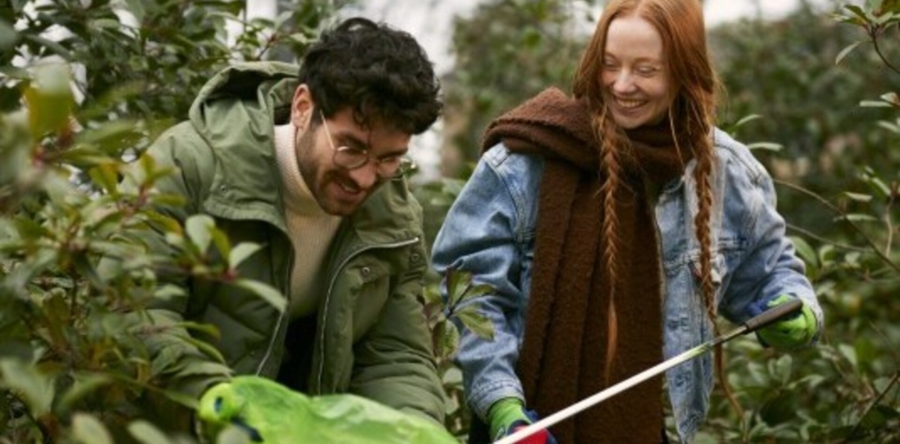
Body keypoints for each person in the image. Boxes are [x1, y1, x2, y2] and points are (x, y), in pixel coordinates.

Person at [431, 0, 823, 443]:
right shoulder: (526, 160)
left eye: (646, 70)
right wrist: (503, 404)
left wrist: (794, 310)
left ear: (684, 69)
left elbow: (770, 274)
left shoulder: (726, 171)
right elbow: (471, 294)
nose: (621, 84)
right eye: (610, 64)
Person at [121, 17, 446, 433]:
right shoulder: (187, 166)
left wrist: (412, 429)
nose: (365, 178)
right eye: (351, 148)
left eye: (388, 159)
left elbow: (395, 357)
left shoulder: (394, 218)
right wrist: (223, 407)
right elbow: (137, 313)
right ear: (302, 107)